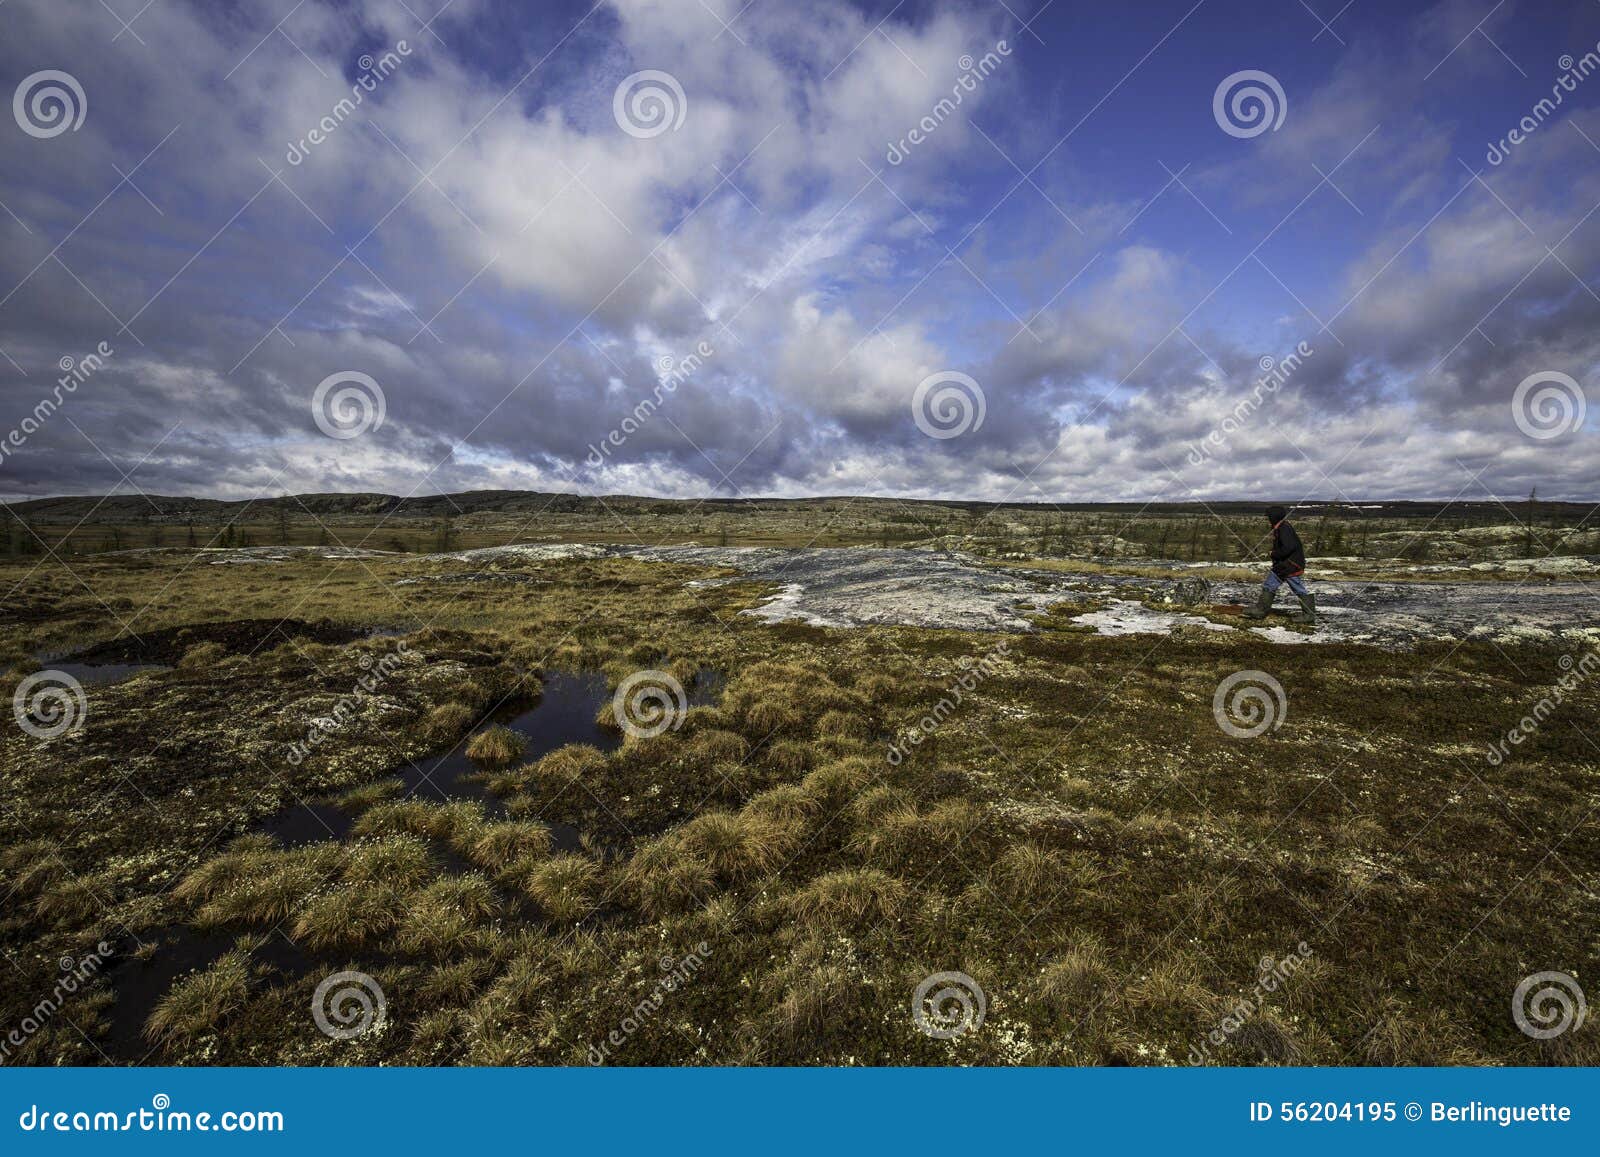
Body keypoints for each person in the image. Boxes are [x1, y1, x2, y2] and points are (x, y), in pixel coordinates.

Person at [1244, 505, 1314, 624]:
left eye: (1269, 517)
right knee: (1269, 585)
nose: (1268, 519)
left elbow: (1289, 547)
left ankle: (1309, 615)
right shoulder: (1281, 527)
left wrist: (1274, 554)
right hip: (1284, 565)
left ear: (1274, 517)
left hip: (1290, 565)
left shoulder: (1284, 528)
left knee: (1298, 589)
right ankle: (1260, 611)